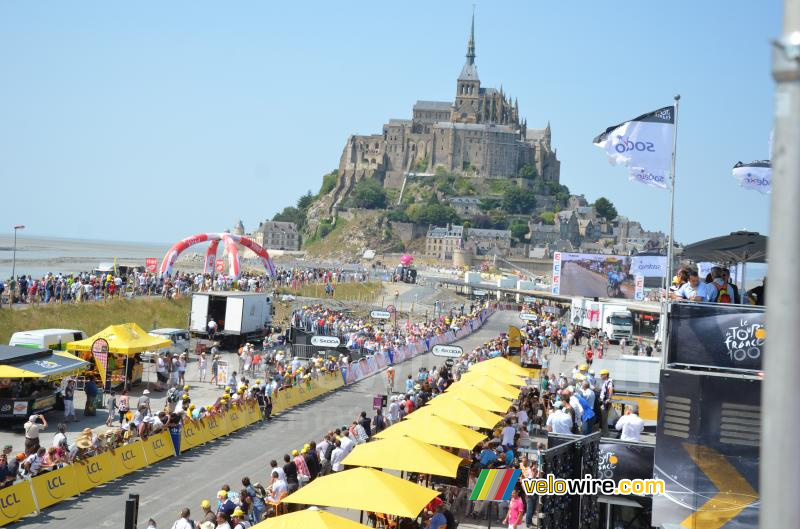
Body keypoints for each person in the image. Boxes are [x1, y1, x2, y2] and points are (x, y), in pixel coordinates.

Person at [599, 369, 614, 436]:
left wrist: (609, 398)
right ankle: (605, 432)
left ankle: (605, 433)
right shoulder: (606, 382)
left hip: (605, 403)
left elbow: (610, 390)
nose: (601, 376)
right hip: (604, 402)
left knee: (604, 418)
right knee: (603, 418)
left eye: (602, 375)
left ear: (605, 375)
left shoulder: (609, 382)